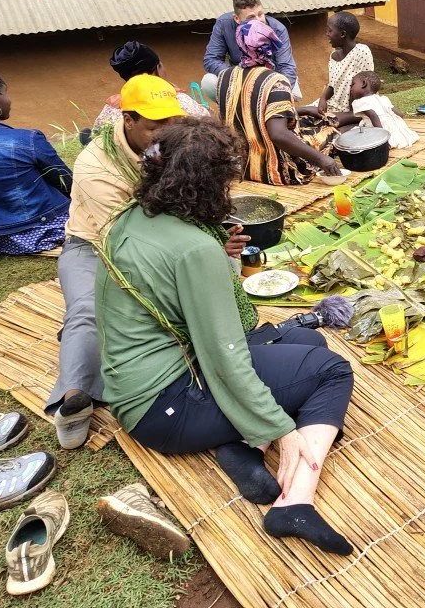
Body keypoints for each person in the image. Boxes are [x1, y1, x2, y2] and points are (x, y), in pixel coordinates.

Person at [96, 117, 354, 554]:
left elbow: (203, 327)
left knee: (308, 343)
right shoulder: (194, 249)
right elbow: (224, 353)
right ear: (211, 183)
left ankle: (239, 444)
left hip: (143, 382)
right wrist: (280, 427)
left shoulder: (133, 217)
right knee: (330, 370)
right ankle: (295, 503)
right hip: (164, 406)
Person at [46, 75, 245, 450]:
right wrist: (193, 252)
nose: (163, 133)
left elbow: (190, 196)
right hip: (95, 244)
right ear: (129, 119)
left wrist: (213, 236)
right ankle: (73, 400)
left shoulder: (172, 142)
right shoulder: (95, 164)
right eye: (155, 126)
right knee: (89, 310)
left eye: (170, 122)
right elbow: (126, 236)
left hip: (162, 236)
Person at [0, 69, 71, 255]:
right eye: (4, 93)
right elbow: (66, 181)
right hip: (49, 228)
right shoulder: (26, 139)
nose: (9, 100)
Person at [214, 19, 342, 185]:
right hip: (276, 171)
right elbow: (278, 134)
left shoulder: (224, 77)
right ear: (268, 46)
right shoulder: (275, 81)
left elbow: (250, 113)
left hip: (241, 166)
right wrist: (321, 159)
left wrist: (301, 110)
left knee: (308, 120)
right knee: (329, 132)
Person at [90, 42, 210, 134]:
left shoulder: (112, 108)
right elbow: (209, 128)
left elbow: (95, 136)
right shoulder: (180, 101)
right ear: (157, 69)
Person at [204, 0, 302, 100]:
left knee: (283, 96)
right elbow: (211, 60)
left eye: (260, 14)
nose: (258, 20)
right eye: (251, 17)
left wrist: (276, 91)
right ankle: (233, 113)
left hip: (273, 78)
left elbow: (287, 67)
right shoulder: (224, 24)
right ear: (237, 18)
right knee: (209, 81)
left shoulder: (278, 30)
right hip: (239, 78)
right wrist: (237, 75)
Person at [316, 12, 374, 117]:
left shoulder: (362, 52)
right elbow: (332, 85)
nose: (327, 34)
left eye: (330, 30)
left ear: (342, 34)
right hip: (333, 105)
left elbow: (365, 88)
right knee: (299, 111)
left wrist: (350, 115)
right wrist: (323, 99)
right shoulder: (333, 56)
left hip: (355, 110)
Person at [348, 71, 419, 149]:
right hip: (396, 130)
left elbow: (374, 116)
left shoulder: (360, 102)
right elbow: (399, 114)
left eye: (353, 85)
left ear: (364, 83)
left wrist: (382, 138)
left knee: (354, 135)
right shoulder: (383, 99)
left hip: (380, 129)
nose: (350, 89)